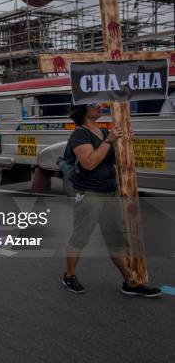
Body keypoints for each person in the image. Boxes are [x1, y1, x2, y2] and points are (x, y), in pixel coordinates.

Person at [62, 103, 161, 298]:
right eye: (93, 105)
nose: (99, 106)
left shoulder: (103, 131)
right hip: (90, 192)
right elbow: (89, 163)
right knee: (81, 237)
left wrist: (125, 143)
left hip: (110, 191)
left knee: (116, 238)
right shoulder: (80, 134)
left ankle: (130, 282)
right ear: (83, 111)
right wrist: (110, 141)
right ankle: (69, 275)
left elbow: (115, 159)